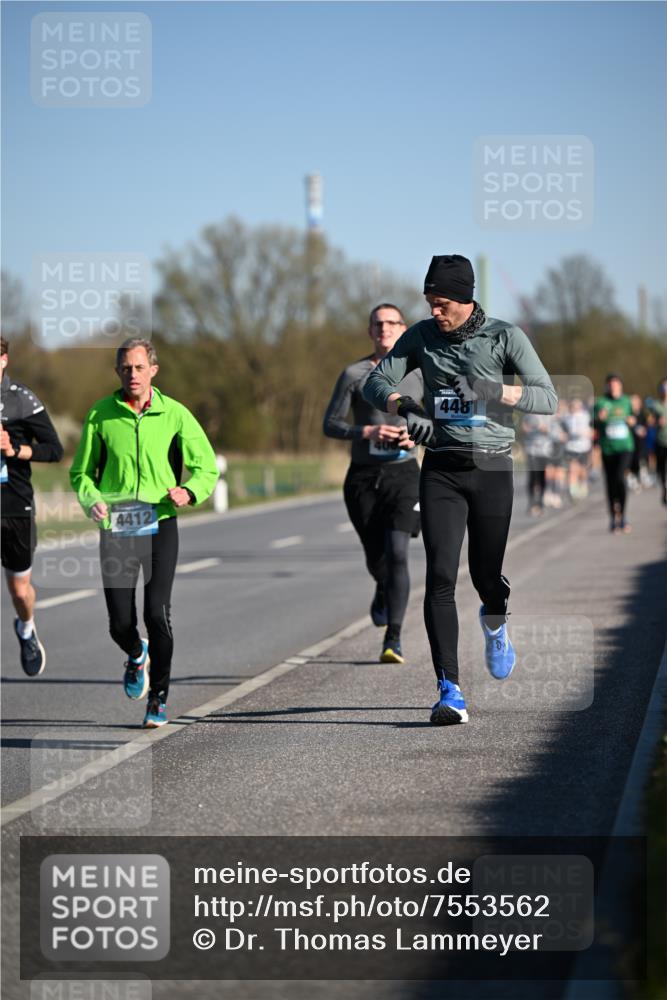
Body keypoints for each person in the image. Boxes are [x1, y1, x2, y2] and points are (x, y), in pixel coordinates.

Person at [364, 255, 557, 725]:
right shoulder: (421, 337)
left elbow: (547, 398)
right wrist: (404, 404)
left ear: (466, 299)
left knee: (486, 574)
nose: (434, 311)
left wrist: (496, 389)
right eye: (430, 302)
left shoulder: (505, 336)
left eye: (442, 303)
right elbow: (376, 381)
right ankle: (449, 689)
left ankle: (495, 621)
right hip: (442, 470)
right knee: (441, 576)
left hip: (491, 469)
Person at [70, 338, 218, 727]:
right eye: (125, 368)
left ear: (153, 369)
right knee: (120, 623)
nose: (132, 374)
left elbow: (207, 467)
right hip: (116, 527)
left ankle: (159, 697)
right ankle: (137, 655)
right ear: (117, 371)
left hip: (160, 524)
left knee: (157, 614)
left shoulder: (175, 414)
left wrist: (190, 490)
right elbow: (81, 473)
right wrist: (92, 500)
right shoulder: (101, 414)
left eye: (139, 367)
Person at [323, 304, 423, 663]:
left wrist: (416, 438)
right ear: (370, 331)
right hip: (363, 477)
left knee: (398, 552)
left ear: (403, 329)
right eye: (377, 324)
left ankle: (393, 638)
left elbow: (438, 422)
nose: (384, 329)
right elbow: (330, 424)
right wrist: (366, 430)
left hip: (404, 475)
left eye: (391, 323)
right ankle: (382, 586)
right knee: (376, 559)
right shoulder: (354, 373)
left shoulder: (420, 371)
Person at [1, 336, 64, 675]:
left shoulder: (21, 401)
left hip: (14, 506)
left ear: (4, 360)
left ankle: (26, 629)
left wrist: (15, 450)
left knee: (19, 590)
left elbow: (55, 450)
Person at [593, 374, 635, 533]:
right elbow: (594, 423)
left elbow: (634, 418)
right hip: (608, 448)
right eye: (610, 385)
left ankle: (623, 516)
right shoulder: (601, 403)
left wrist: (633, 421)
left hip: (625, 446)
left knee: (620, 477)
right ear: (607, 387)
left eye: (616, 385)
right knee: (610, 483)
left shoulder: (626, 401)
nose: (613, 388)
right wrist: (599, 418)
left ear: (621, 387)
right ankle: (613, 518)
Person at [563, 397, 593, 500]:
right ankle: (572, 489)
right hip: (571, 447)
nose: (575, 408)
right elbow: (564, 429)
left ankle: (583, 484)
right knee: (572, 468)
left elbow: (591, 429)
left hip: (584, 446)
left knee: (582, 469)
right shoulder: (566, 417)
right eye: (573, 406)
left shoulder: (586, 416)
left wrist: (589, 432)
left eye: (577, 406)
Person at [649, 378, 667, 506]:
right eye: (664, 387)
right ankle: (665, 489)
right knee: (661, 469)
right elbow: (650, 422)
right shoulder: (656, 405)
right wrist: (657, 422)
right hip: (661, 442)